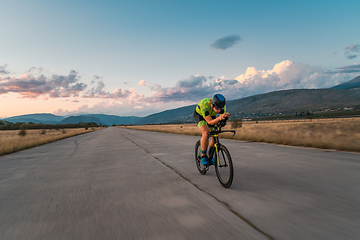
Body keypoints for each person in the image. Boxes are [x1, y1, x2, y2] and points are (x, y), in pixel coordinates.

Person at [194, 94, 231, 166]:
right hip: (200, 115)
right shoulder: (204, 104)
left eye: (221, 108)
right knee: (206, 132)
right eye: (217, 107)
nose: (219, 110)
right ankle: (203, 155)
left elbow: (221, 120)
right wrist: (219, 118)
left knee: (215, 134)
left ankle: (210, 155)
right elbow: (209, 122)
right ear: (212, 104)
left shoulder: (221, 107)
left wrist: (225, 119)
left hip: (211, 115)